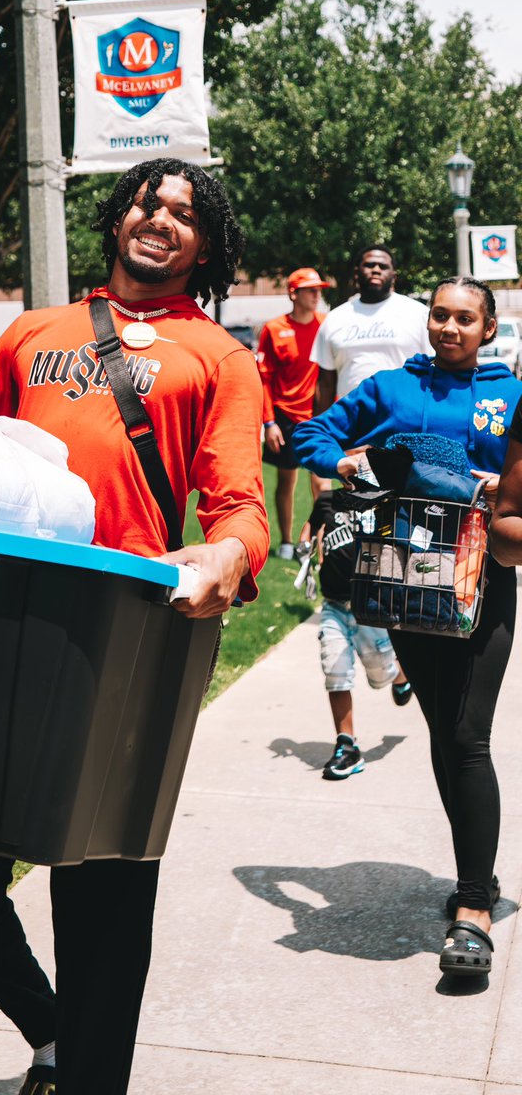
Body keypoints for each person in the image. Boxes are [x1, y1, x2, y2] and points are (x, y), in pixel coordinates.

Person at [0, 158, 270, 1095]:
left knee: (101, 903)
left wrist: (226, 560)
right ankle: (52, 1029)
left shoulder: (219, 358)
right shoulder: (33, 332)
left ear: (207, 246)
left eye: (187, 215)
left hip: (122, 645)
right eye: (150, 201)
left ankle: (92, 1075)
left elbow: (240, 508)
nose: (163, 220)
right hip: (0, 629)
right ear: (118, 217)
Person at [293, 275, 522, 978]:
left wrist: (491, 486)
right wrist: (349, 460)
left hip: (483, 578)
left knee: (467, 734)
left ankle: (474, 906)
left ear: (487, 328)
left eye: (465, 319)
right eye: (441, 316)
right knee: (442, 733)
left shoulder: (509, 393)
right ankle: (471, 875)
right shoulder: (392, 388)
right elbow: (310, 433)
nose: (450, 329)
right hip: (405, 582)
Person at [297, 489, 412, 780]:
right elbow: (312, 524)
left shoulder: (384, 499)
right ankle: (346, 745)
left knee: (380, 675)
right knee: (335, 669)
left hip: (369, 606)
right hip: (333, 603)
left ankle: (401, 675)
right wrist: (304, 544)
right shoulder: (327, 499)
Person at [258, 266, 329, 558]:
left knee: (322, 481)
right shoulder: (274, 329)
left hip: (319, 415)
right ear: (293, 293)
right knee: (287, 481)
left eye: (318, 290)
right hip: (285, 418)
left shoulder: (326, 325)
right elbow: (263, 378)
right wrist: (269, 422)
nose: (316, 295)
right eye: (310, 290)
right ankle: (287, 542)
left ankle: (317, 543)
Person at [312, 245, 431, 413]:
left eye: (383, 266)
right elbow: (325, 383)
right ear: (356, 273)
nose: (376, 270)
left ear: (394, 276)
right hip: (352, 422)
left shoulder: (419, 314)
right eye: (369, 265)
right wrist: (318, 431)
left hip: (406, 418)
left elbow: (435, 371)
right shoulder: (335, 319)